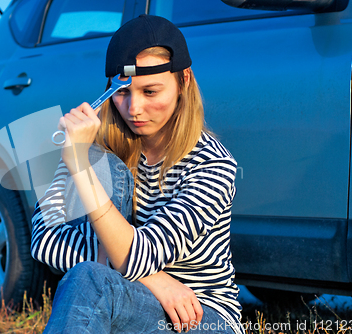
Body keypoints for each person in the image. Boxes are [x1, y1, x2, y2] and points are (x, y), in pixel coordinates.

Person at [30, 14, 244, 334]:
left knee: (92, 279)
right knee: (92, 279)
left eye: (151, 92)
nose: (134, 109)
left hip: (201, 315)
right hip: (128, 301)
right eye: (123, 92)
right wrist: (152, 278)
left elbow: (139, 254)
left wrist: (78, 165)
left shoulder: (213, 165)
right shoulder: (91, 147)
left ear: (184, 80)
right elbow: (44, 239)